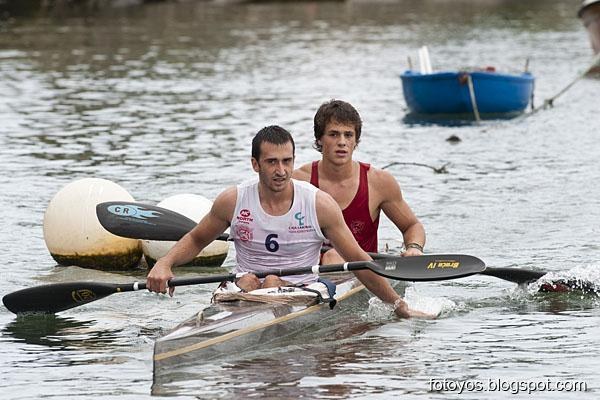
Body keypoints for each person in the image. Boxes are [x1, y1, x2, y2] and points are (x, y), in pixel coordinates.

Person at [147, 125, 429, 318]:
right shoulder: (233, 200)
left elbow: (358, 260)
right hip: (244, 286)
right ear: (255, 164)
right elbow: (197, 239)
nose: (281, 171)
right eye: (271, 162)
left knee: (267, 278)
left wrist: (397, 304)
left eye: (287, 161)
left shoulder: (318, 204)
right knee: (251, 279)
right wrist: (165, 263)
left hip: (302, 290)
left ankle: (264, 289)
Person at [293, 99, 426, 263]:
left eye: (348, 135)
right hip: (310, 270)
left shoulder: (379, 182)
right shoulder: (297, 182)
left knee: (334, 256)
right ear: (319, 139)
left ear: (356, 141)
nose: (342, 142)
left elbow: (412, 226)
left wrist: (414, 247)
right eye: (334, 134)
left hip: (363, 271)